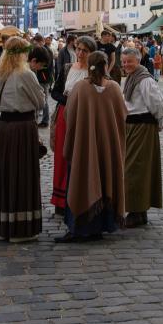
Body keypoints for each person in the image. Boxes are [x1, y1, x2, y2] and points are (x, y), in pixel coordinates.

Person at [56, 51, 127, 243]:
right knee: (105, 179)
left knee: (82, 179)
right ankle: (101, 225)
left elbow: (68, 115)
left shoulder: (81, 88)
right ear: (106, 65)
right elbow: (123, 115)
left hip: (84, 146)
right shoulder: (114, 88)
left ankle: (79, 228)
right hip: (107, 147)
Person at [0, 37, 47, 242]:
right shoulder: (25, 74)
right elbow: (40, 102)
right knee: (22, 174)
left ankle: (3, 225)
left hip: (4, 128)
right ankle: (20, 229)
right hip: (22, 128)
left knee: (6, 173)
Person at [49, 35, 95, 213]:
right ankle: (60, 201)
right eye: (78, 49)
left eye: (85, 50)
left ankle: (80, 198)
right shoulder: (68, 68)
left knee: (82, 156)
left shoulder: (94, 71)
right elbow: (55, 92)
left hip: (85, 116)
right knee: (62, 155)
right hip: (65, 115)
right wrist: (68, 101)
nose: (80, 53)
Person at [120, 47, 163, 228]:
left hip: (142, 127)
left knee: (135, 170)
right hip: (131, 126)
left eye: (129, 61)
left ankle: (137, 212)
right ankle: (138, 210)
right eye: (123, 61)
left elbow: (157, 103)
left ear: (137, 61)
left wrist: (159, 122)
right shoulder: (131, 78)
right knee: (134, 169)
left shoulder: (145, 79)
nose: (126, 65)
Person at [27, 33, 55, 128]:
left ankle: (45, 120)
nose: (35, 45)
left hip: (44, 78)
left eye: (36, 43)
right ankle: (42, 119)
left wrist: (38, 69)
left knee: (44, 99)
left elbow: (47, 65)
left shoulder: (46, 51)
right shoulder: (42, 49)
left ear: (40, 41)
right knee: (43, 98)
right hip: (43, 77)